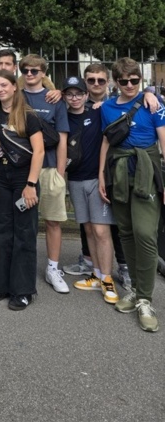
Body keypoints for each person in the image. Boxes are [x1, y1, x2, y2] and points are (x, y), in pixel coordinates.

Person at [63, 61, 157, 289]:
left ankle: (124, 268)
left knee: (115, 226)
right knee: (94, 225)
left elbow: (136, 92)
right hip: (93, 174)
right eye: (91, 80)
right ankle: (94, 266)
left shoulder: (116, 105)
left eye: (100, 80)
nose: (96, 84)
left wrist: (150, 92)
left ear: (108, 82)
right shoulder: (94, 107)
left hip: (122, 171)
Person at [99, 57, 165, 333]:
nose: (129, 85)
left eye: (134, 80)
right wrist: (102, 174)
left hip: (145, 171)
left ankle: (146, 299)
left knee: (146, 233)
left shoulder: (154, 104)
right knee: (125, 231)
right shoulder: (108, 107)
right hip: (118, 171)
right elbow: (106, 140)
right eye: (123, 81)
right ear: (115, 82)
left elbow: (164, 139)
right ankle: (136, 291)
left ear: (141, 79)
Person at [0, 70, 44, 310]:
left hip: (23, 177)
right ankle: (3, 285)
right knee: (2, 231)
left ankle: (24, 289)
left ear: (13, 87)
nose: (0, 90)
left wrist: (30, 184)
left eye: (4, 85)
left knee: (24, 233)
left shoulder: (28, 116)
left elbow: (38, 152)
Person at [61, 76, 118, 305]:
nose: (74, 98)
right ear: (65, 96)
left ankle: (107, 278)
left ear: (86, 95)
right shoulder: (62, 117)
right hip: (74, 180)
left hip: (96, 179)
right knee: (89, 230)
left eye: (78, 94)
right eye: (70, 94)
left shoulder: (97, 112)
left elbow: (123, 102)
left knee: (102, 231)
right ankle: (96, 274)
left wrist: (151, 95)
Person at [19, 54, 70, 294]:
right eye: (26, 70)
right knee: (22, 222)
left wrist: (60, 172)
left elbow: (62, 138)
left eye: (35, 71)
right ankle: (21, 266)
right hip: (22, 169)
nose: (30, 74)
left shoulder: (54, 99)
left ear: (43, 73)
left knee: (52, 220)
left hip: (48, 168)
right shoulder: (16, 96)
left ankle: (52, 267)